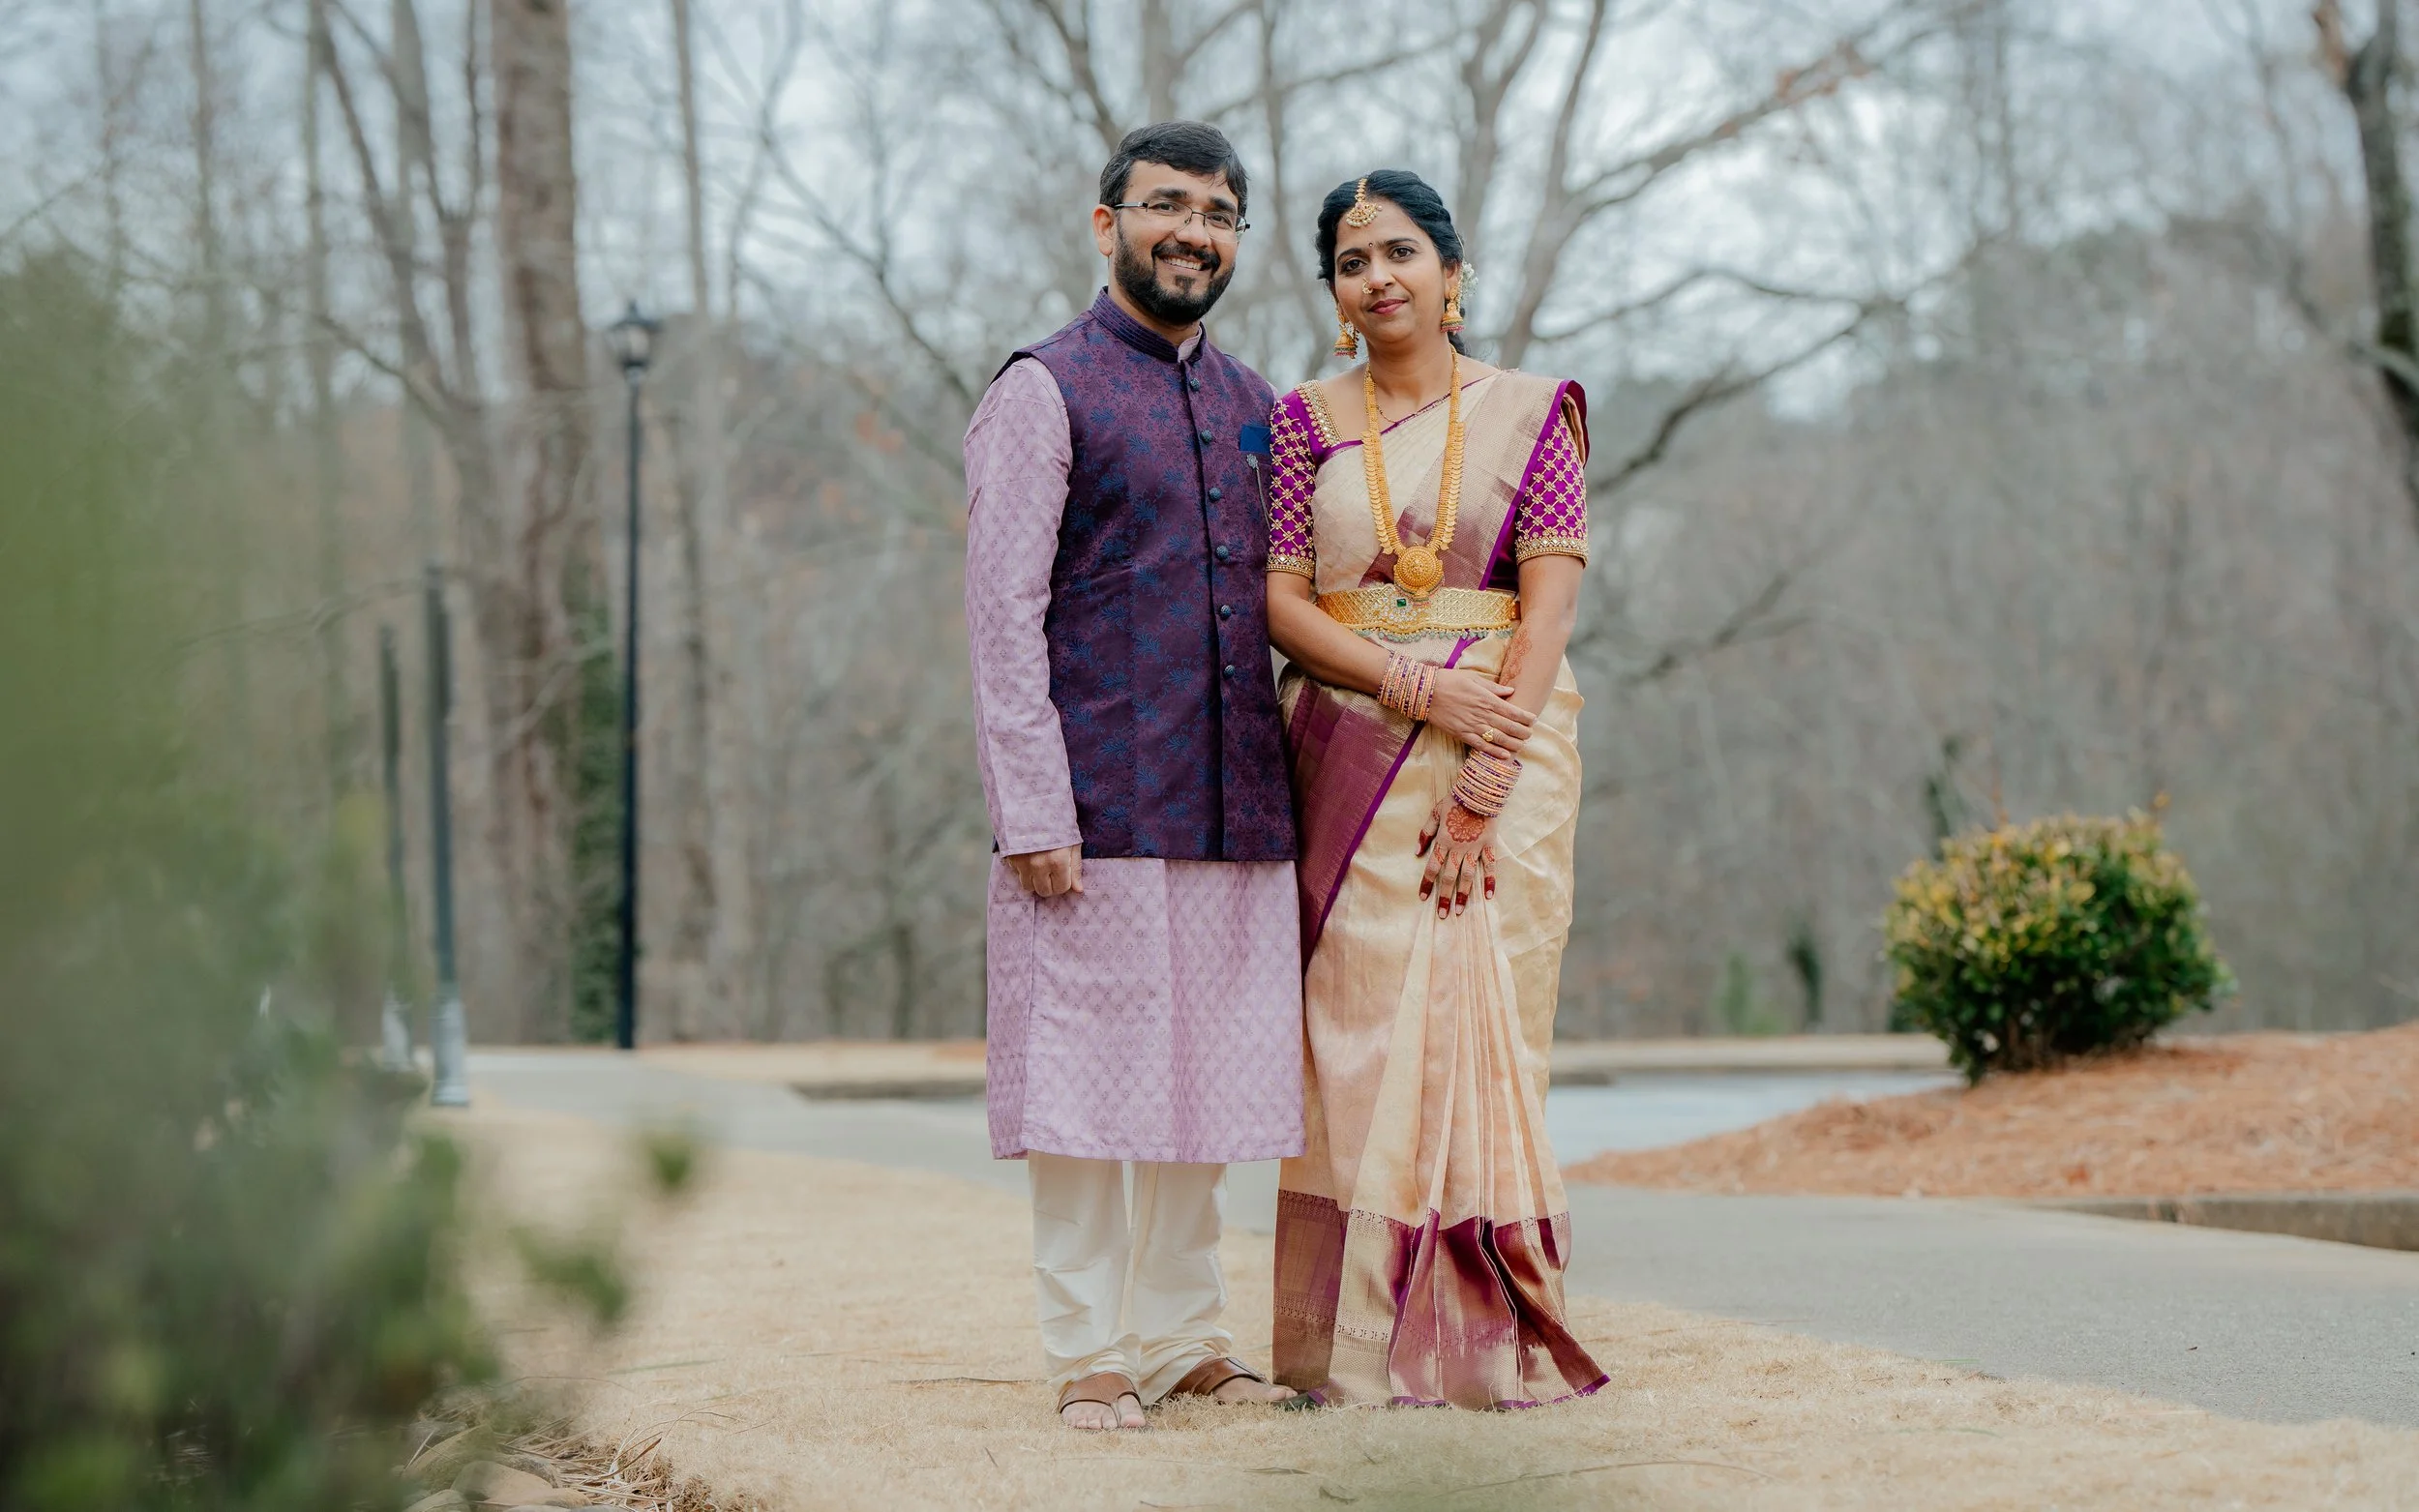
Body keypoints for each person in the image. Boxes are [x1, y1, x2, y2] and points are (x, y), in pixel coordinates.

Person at [963, 121, 1304, 1432]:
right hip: (1094, 804)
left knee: (1203, 1087)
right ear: (1107, 223)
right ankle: (1090, 1349)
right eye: (1167, 206)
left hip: (1237, 799)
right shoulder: (1041, 391)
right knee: (1084, 1089)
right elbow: (1001, 616)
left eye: (1218, 214)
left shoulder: (1259, 405)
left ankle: (1183, 1336)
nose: (1193, 233)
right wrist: (1031, 808)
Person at [1262, 170, 1608, 1409]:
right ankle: (1354, 1341)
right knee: (1354, 1034)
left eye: (1401, 252)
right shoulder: (1302, 421)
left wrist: (1487, 772)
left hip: (1506, 745)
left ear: (1451, 273)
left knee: (1482, 1019)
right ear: (1335, 293)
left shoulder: (1532, 412)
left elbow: (1547, 608)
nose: (1379, 277)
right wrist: (1414, 688)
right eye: (1352, 262)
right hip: (1349, 742)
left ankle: (1482, 1331)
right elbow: (1279, 601)